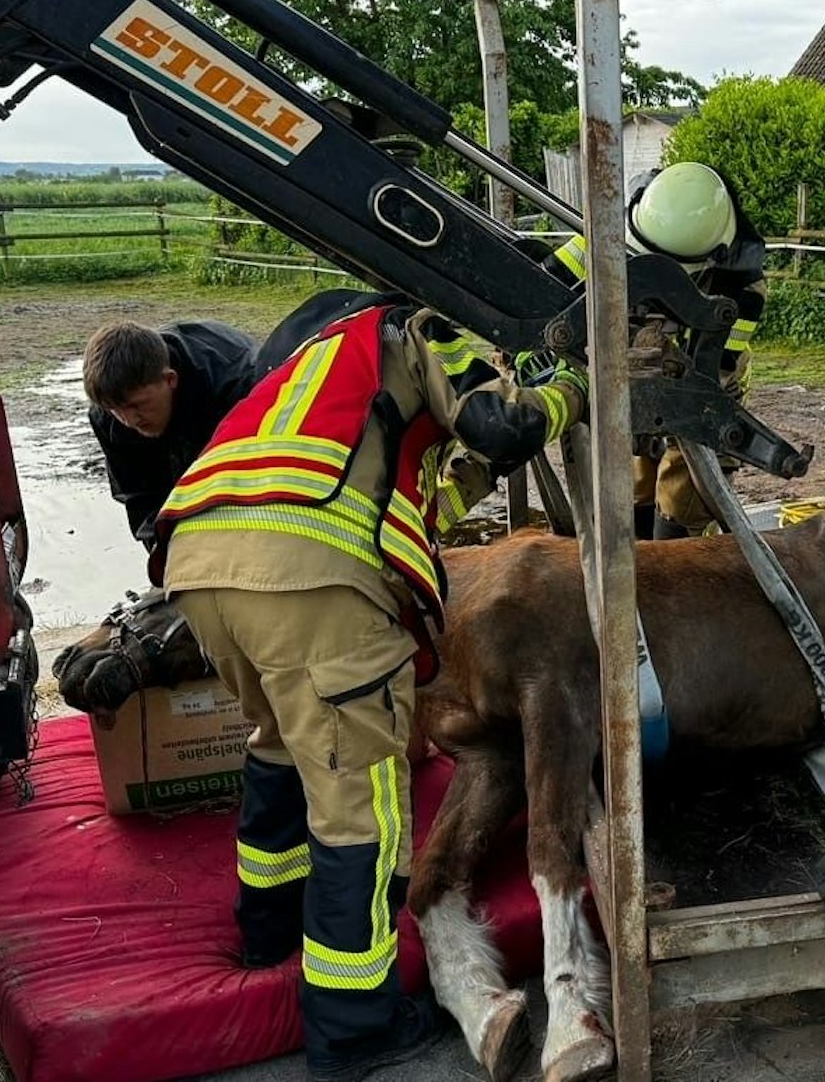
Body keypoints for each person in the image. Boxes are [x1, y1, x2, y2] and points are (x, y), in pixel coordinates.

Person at [151, 293, 585, 1082]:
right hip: (308, 574)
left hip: (201, 565)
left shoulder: (302, 371)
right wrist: (569, 389)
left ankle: (268, 930)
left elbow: (411, 503)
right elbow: (501, 422)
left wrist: (470, 474)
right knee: (362, 803)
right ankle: (355, 1024)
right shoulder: (421, 326)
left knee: (282, 741)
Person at [544, 160, 766, 539]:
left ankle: (674, 564)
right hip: (626, 376)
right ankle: (637, 562)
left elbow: (714, 371)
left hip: (699, 391)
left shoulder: (742, 288)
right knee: (631, 486)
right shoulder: (611, 230)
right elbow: (549, 282)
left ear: (715, 254)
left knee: (682, 497)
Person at [82, 319, 261, 552]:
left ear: (170, 379)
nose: (129, 420)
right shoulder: (107, 412)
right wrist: (165, 554)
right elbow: (140, 498)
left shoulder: (236, 388)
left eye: (137, 405)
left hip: (225, 409)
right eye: (116, 410)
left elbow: (249, 485)